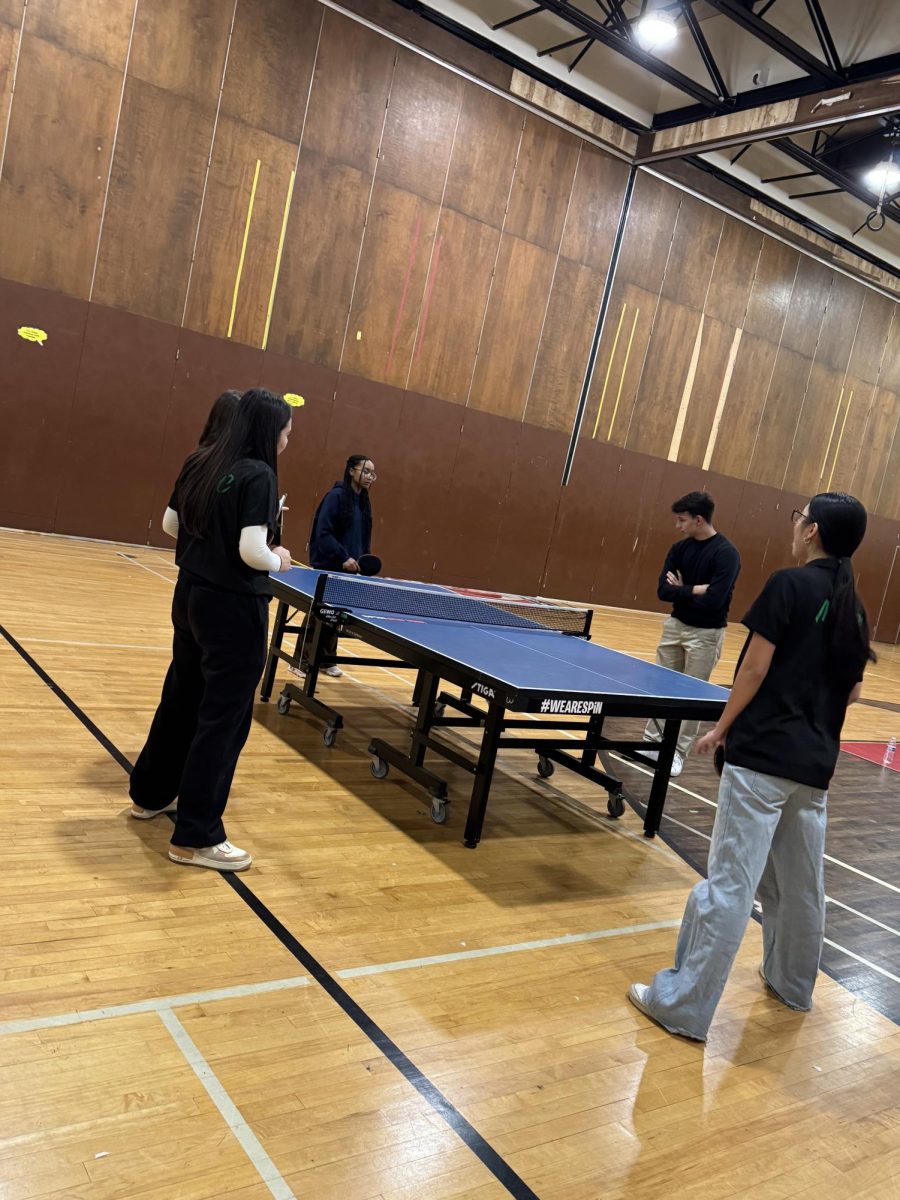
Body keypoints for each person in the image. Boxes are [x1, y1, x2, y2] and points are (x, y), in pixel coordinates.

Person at [628, 492, 876, 1042]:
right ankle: (793, 986)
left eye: (799, 519)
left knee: (729, 886)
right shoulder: (854, 605)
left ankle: (682, 1006)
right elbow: (854, 691)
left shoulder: (789, 585)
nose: (796, 527)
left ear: (811, 532)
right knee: (798, 885)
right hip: (814, 768)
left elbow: (755, 669)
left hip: (761, 758)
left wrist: (720, 729)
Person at [129, 388, 294, 871]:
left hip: (190, 598)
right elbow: (253, 553)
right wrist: (279, 560)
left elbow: (170, 525)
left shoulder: (201, 460)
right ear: (270, 431)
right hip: (234, 612)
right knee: (223, 720)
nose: (288, 440)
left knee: (181, 697)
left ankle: (150, 795)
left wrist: (211, 546)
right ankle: (195, 836)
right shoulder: (259, 475)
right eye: (286, 432)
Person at [644, 491, 741, 776]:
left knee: (690, 695)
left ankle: (675, 752)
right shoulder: (678, 549)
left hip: (706, 634)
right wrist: (695, 589)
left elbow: (716, 599)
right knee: (661, 688)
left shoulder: (726, 554)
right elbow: (663, 591)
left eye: (682, 520)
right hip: (675, 626)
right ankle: (651, 742)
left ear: (699, 520)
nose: (678, 526)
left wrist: (682, 590)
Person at [292, 455, 376, 678]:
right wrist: (342, 557)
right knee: (319, 612)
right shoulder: (336, 496)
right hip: (330, 565)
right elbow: (323, 533)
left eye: (372, 473)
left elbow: (363, 536)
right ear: (351, 471)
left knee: (337, 615)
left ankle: (326, 659)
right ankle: (300, 660)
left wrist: (362, 560)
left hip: (351, 568)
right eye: (365, 471)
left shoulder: (363, 501)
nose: (369, 476)